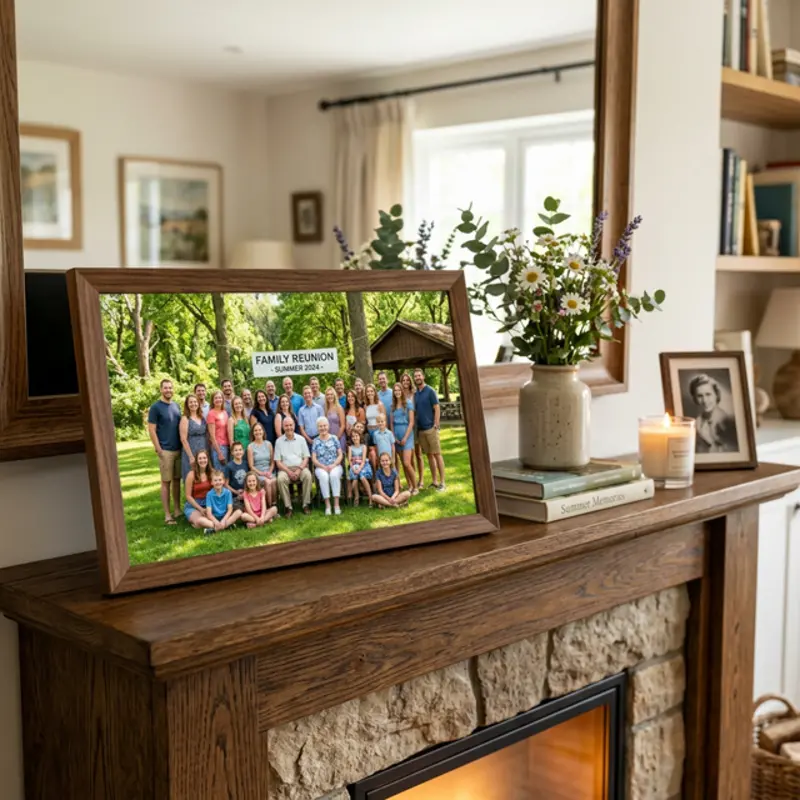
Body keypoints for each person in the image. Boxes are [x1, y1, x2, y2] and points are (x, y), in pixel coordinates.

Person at [147, 378, 183, 525]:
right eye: (165, 388)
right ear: (161, 390)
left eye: (170, 388)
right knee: (166, 482)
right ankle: (167, 515)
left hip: (178, 449)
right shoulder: (155, 408)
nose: (168, 390)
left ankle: (177, 510)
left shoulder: (176, 406)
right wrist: (158, 449)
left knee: (176, 481)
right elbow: (151, 429)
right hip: (165, 450)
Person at [689, 373, 739, 453]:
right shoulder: (697, 422)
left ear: (716, 395)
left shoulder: (726, 422)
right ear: (695, 398)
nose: (704, 401)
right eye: (700, 396)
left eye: (708, 394)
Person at [414, 368, 445, 491]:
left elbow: (437, 408)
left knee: (437, 454)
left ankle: (443, 483)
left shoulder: (430, 391)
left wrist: (436, 424)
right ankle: (434, 481)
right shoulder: (416, 394)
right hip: (421, 430)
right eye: (415, 376)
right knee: (429, 456)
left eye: (419, 375)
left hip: (431, 428)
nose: (417, 378)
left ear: (423, 376)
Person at [274, 416, 313, 517]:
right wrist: (288, 471)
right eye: (286, 425)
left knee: (308, 475)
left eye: (291, 425)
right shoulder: (279, 441)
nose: (289, 427)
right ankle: (288, 507)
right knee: (281, 479)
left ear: (294, 425)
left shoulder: (301, 439)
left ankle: (305, 504)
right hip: (285, 469)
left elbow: (306, 458)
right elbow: (278, 462)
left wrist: (299, 469)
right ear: (283, 427)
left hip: (300, 467)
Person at [312, 417, 344, 516]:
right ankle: (328, 506)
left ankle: (336, 505)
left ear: (328, 426)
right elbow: (314, 459)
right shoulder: (315, 441)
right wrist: (322, 466)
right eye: (320, 426)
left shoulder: (334, 438)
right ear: (317, 428)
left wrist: (334, 464)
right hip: (321, 467)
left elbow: (340, 455)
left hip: (335, 466)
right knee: (324, 477)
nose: (323, 428)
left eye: (324, 425)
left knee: (334, 475)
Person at [391, 383, 417, 494]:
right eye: (395, 390)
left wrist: (406, 437)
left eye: (399, 390)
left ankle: (415, 487)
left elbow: (411, 422)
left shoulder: (408, 404)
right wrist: (394, 437)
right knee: (402, 462)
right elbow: (391, 424)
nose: (397, 392)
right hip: (397, 437)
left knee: (407, 463)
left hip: (407, 435)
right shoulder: (392, 406)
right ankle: (409, 486)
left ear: (402, 391)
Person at [401, 371, 424, 489]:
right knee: (409, 457)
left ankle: (421, 480)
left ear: (410, 382)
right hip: (406, 426)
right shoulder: (399, 395)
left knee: (418, 454)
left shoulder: (414, 393)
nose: (405, 382)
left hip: (415, 425)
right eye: (403, 380)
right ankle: (413, 479)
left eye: (407, 380)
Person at [183, 449, 216, 530]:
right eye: (200, 458)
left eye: (204, 458)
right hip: (194, 505)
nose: (202, 460)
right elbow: (188, 496)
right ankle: (217, 525)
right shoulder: (191, 475)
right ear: (197, 461)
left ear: (208, 460)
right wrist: (200, 509)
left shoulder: (212, 473)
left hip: (209, 503)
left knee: (212, 517)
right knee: (200, 521)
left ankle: (211, 525)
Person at [179, 393, 208, 481]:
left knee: (204, 476)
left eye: (195, 402)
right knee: (192, 476)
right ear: (187, 405)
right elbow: (183, 439)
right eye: (190, 402)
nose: (193, 404)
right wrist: (191, 456)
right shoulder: (185, 419)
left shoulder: (202, 417)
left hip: (203, 449)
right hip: (191, 451)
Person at [247, 422, 276, 508]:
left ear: (263, 431)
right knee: (267, 482)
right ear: (253, 433)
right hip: (257, 472)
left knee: (273, 481)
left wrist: (269, 472)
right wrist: (262, 473)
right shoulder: (250, 447)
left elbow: (272, 462)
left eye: (260, 430)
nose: (258, 432)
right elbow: (251, 466)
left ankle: (274, 505)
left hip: (268, 471)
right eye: (255, 430)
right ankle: (268, 506)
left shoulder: (269, 444)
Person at [204, 470, 242, 534]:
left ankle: (214, 530)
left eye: (220, 480)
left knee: (239, 512)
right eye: (215, 480)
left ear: (223, 481)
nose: (218, 482)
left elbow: (230, 509)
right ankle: (227, 526)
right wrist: (216, 521)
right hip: (214, 517)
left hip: (225, 516)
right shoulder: (209, 494)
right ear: (211, 482)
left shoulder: (228, 492)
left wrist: (224, 520)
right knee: (201, 520)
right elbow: (209, 513)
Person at [347, 429, 373, 507]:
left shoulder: (363, 446)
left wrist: (359, 468)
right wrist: (354, 468)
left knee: (362, 477)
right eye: (353, 436)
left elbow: (364, 460)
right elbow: (350, 460)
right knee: (354, 478)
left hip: (363, 465)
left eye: (356, 436)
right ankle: (356, 496)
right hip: (354, 466)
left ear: (360, 436)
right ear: (351, 438)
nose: (355, 438)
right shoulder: (350, 447)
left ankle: (370, 498)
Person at [364, 383, 387, 467]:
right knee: (372, 454)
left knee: (379, 453)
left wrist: (384, 433)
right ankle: (374, 473)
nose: (369, 393)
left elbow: (384, 421)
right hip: (370, 431)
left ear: (374, 392)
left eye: (371, 391)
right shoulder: (366, 406)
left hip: (378, 431)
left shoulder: (380, 405)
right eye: (368, 391)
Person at [207, 390, 230, 470]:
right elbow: (212, 436)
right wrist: (219, 453)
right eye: (216, 398)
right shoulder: (211, 413)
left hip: (226, 445)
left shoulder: (224, 412)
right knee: (220, 472)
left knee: (226, 472)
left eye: (220, 398)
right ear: (213, 401)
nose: (218, 400)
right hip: (218, 447)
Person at [224, 441, 248, 510]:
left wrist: (245, 491)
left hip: (245, 493)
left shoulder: (246, 464)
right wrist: (236, 492)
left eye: (240, 450)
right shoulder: (229, 466)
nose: (238, 452)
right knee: (239, 509)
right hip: (234, 496)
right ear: (232, 452)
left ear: (243, 451)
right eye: (236, 450)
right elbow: (226, 484)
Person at [324, 386, 346, 450]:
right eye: (328, 395)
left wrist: (336, 438)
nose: (330, 396)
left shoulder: (339, 408)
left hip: (339, 437)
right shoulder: (326, 409)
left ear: (334, 395)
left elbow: (343, 425)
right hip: (329, 438)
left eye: (331, 394)